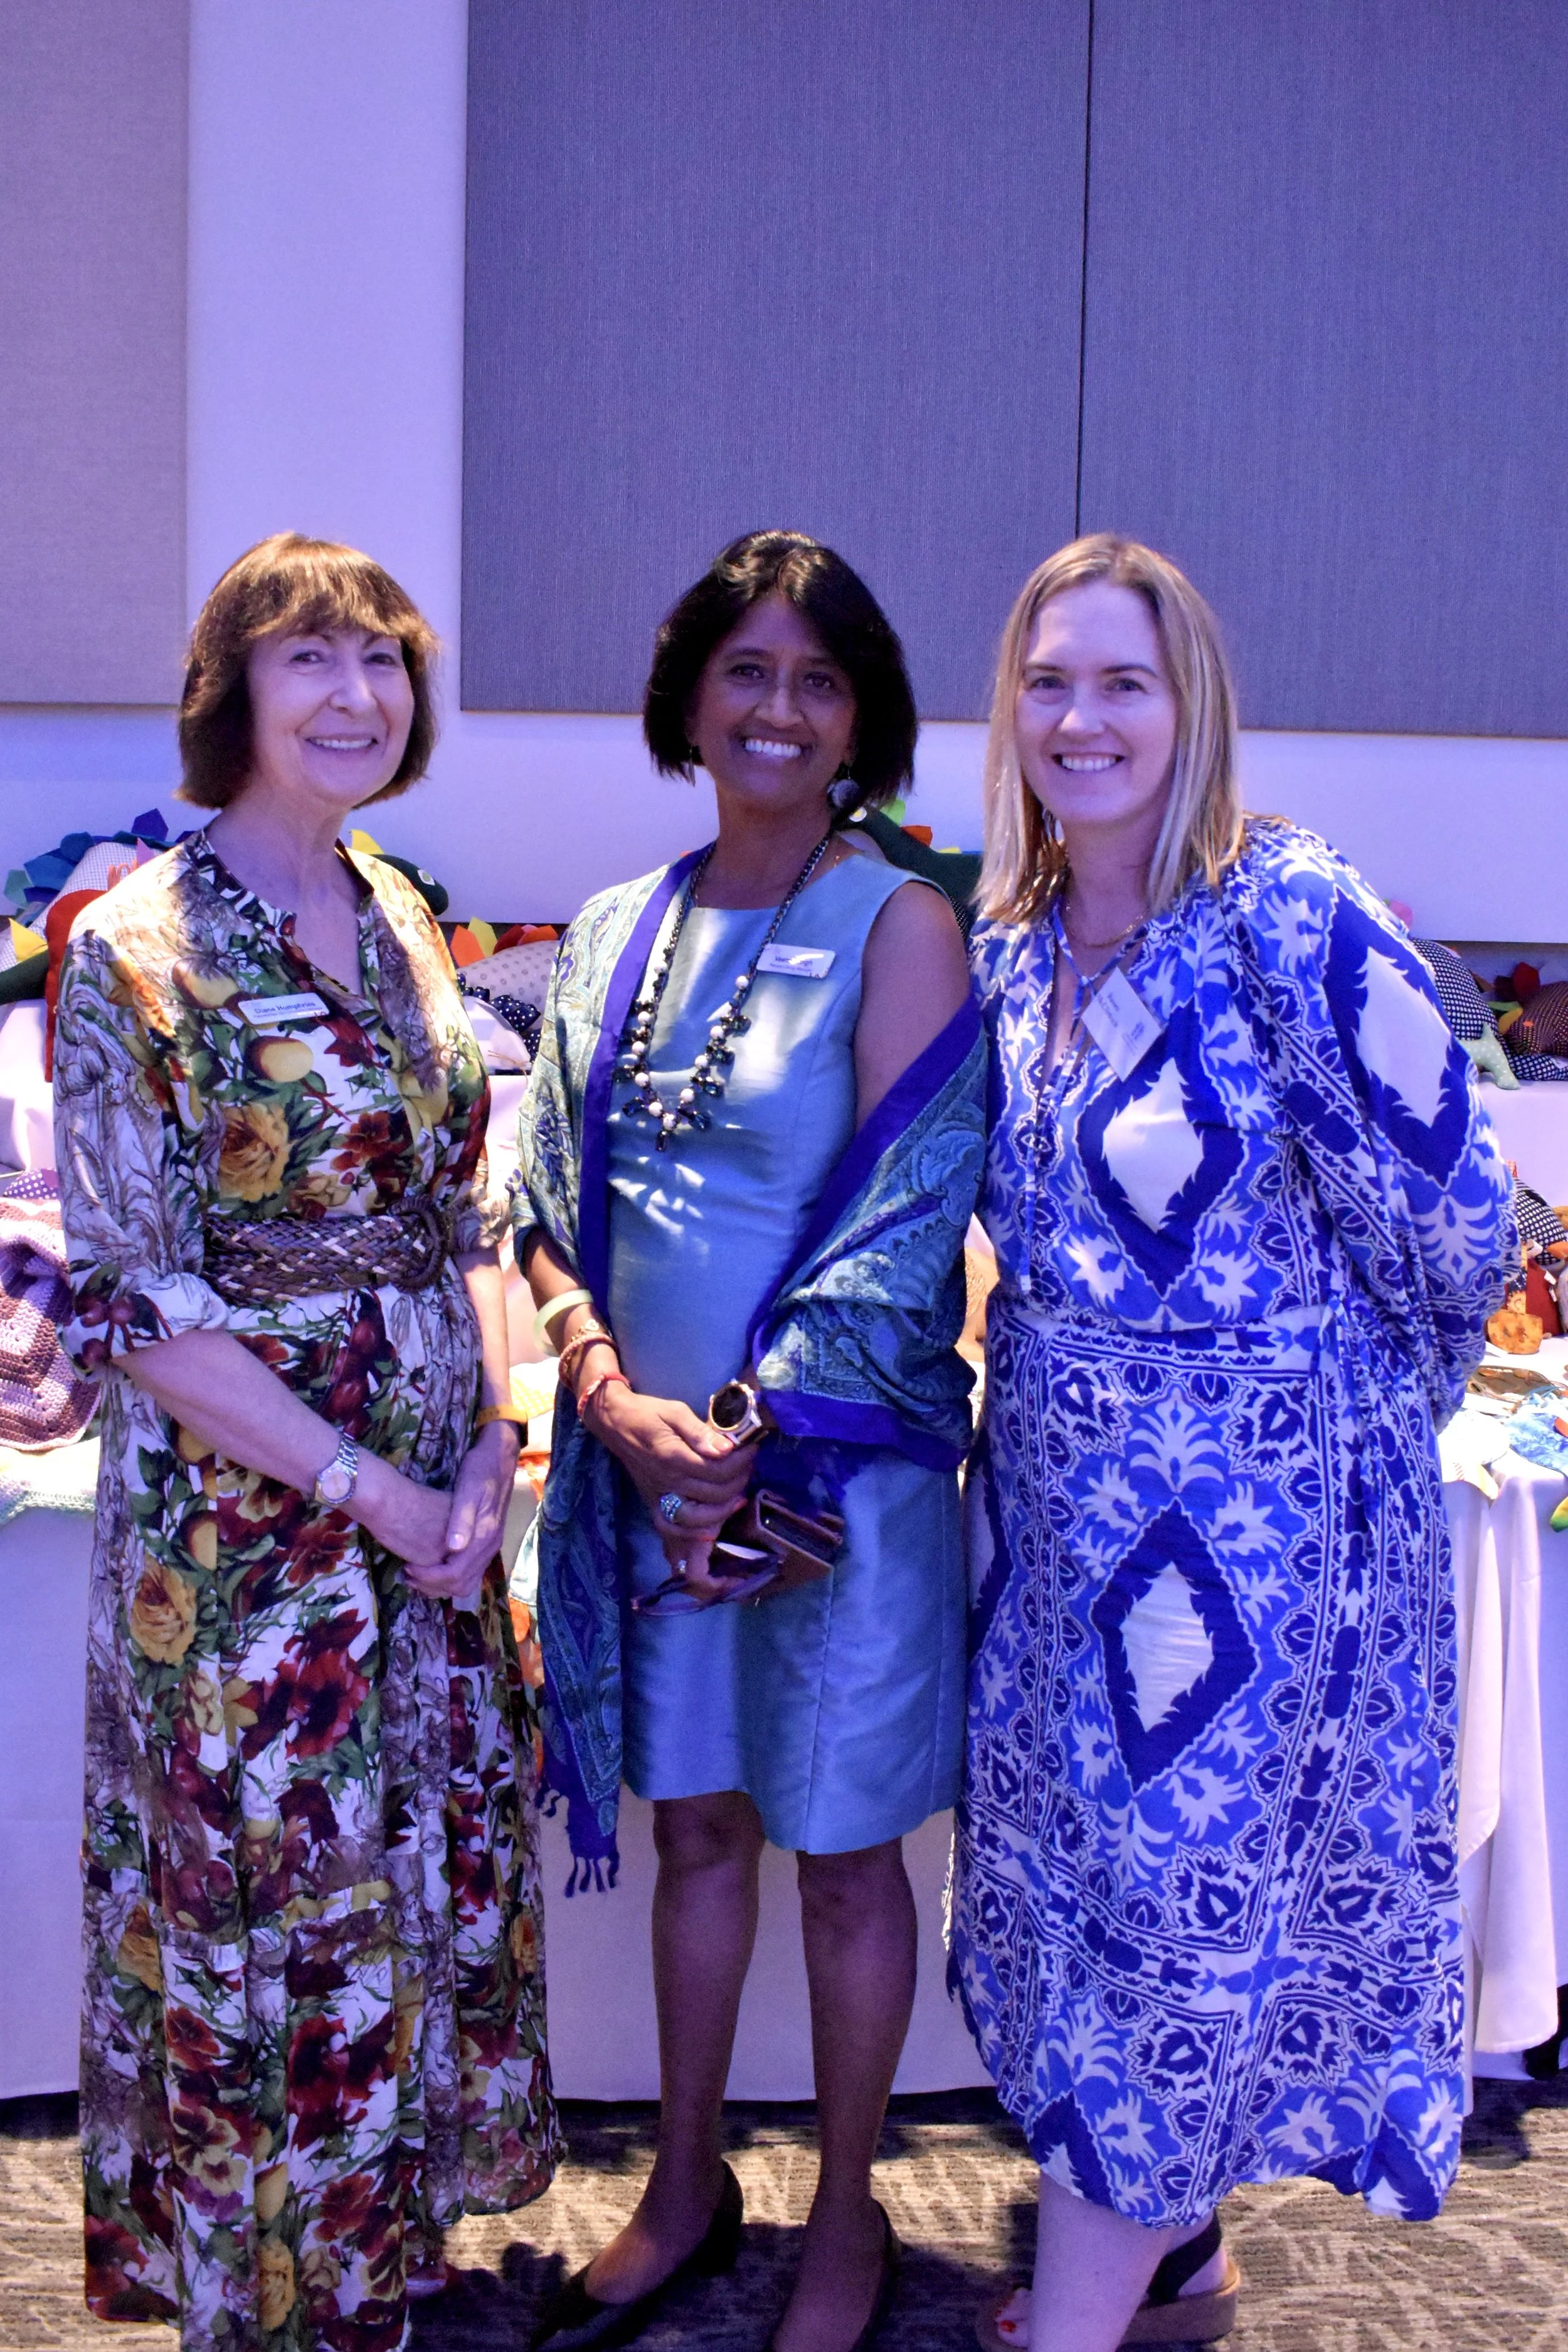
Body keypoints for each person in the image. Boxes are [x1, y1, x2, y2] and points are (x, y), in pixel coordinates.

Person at [950, 535, 1512, 2352]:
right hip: (1054, 1527)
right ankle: (1176, 2256)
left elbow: (1457, 1217)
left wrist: (1314, 1437)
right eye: (1049, 681)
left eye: (1123, 680)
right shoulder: (1008, 929)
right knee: (1086, 1905)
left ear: (1190, 702)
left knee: (1174, 1926)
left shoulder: (1289, 911)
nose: (1081, 718)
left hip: (1252, 1550)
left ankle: (1076, 2325)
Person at [54, 533, 557, 2349]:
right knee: (273, 1901)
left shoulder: (404, 911)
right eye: (309, 661)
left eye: (385, 661)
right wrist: (374, 1485)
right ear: (234, 694)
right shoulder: (135, 945)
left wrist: (493, 1446)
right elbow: (136, 1297)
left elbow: (460, 1213)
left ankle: (377, 2262)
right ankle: (275, 2297)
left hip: (427, 1527)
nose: (356, 696)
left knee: (401, 1883)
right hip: (251, 1546)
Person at [515, 530, 984, 2352]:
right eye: (744, 671)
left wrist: (742, 1439)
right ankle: (687, 2177)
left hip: (831, 1488)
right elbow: (542, 1192)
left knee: (847, 1857)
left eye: (816, 677)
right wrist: (609, 1393)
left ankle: (850, 2217)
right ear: (687, 697)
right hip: (648, 1470)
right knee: (699, 1829)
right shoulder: (617, 923)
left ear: (858, 713)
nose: (777, 707)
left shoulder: (902, 916)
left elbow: (907, 1214)